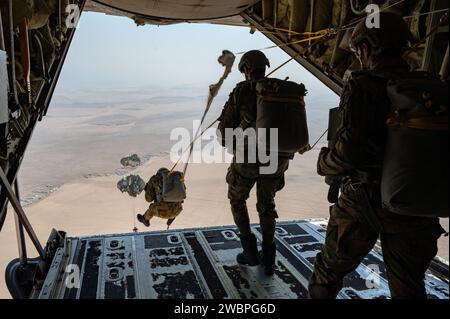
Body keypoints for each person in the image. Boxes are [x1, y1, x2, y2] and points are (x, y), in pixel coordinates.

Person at [308, 12, 446, 299]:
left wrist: (324, 163)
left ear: (367, 48)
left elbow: (348, 152)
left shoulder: (362, 84)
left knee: (327, 273)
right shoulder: (426, 87)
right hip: (413, 203)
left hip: (363, 202)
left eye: (358, 50)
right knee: (408, 285)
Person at [217, 50, 294, 276]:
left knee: (237, 199)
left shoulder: (242, 91)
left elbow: (224, 132)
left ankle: (249, 253)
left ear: (247, 69)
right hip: (275, 160)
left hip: (247, 160)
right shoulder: (282, 90)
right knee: (267, 206)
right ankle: (269, 260)